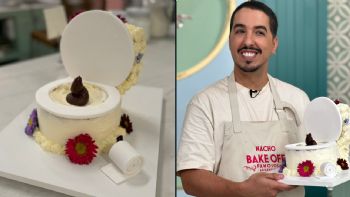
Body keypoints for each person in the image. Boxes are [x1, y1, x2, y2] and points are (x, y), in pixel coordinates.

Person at [177, 1, 310, 197]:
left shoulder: (297, 99)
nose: (248, 41)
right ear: (230, 39)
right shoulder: (204, 103)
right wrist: (242, 190)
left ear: (274, 44)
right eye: (240, 31)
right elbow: (190, 179)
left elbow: (315, 157)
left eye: (259, 32)